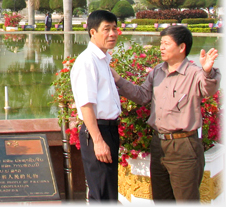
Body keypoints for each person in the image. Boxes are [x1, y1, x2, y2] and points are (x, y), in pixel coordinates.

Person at [112, 25, 221, 202]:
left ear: (181, 47)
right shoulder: (157, 72)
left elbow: (208, 88)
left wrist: (207, 71)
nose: (161, 47)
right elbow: (142, 96)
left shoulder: (194, 74)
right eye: (161, 43)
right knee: (161, 199)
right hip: (159, 144)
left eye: (166, 43)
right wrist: (118, 79)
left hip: (184, 146)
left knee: (186, 200)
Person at [70, 10, 121, 202]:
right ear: (93, 32)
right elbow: (86, 105)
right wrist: (98, 141)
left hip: (108, 130)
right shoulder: (87, 62)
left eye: (115, 29)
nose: (112, 34)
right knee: (102, 194)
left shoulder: (103, 61)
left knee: (107, 191)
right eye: (106, 29)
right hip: (97, 132)